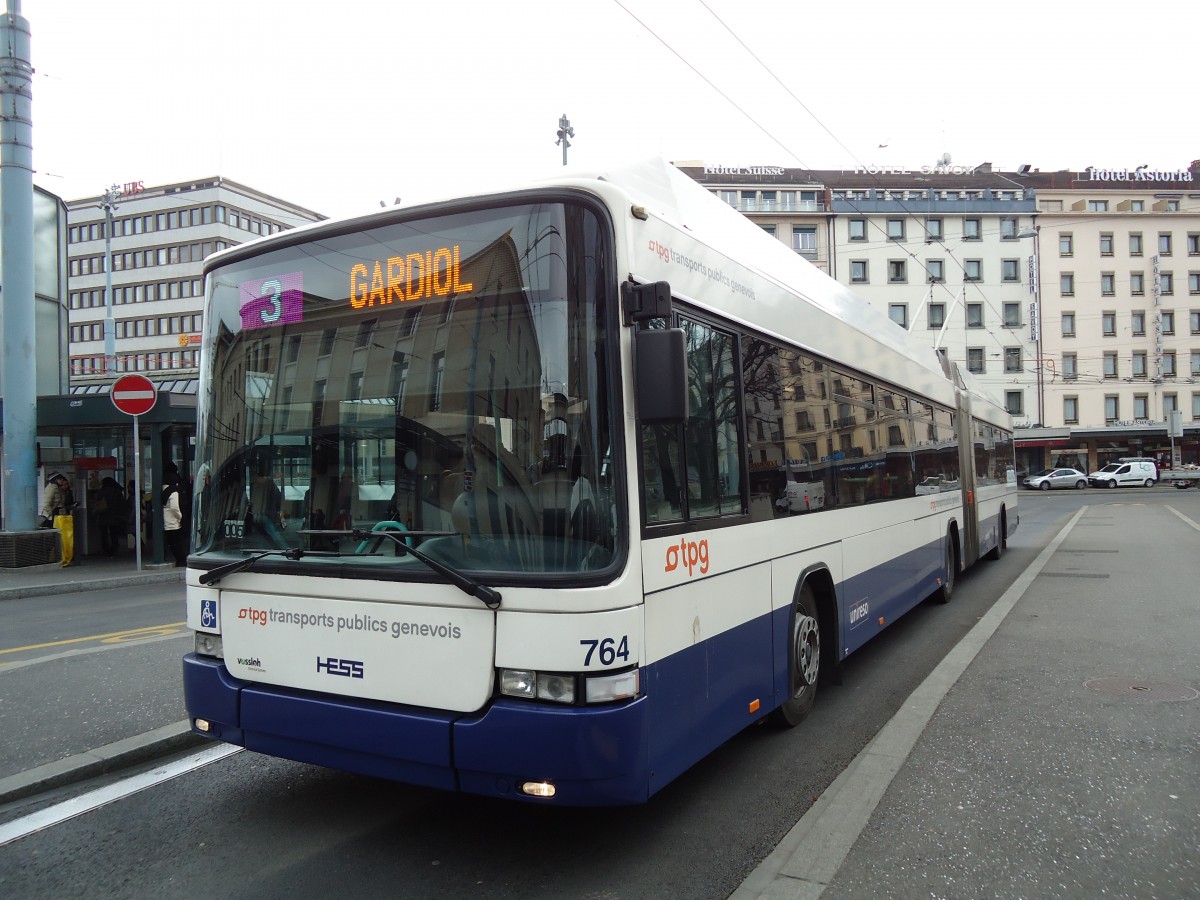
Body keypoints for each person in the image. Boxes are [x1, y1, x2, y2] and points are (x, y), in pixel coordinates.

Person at [38, 472, 78, 566]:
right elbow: (46, 504)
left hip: (58, 516)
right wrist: (51, 516)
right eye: (61, 480)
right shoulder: (51, 488)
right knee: (53, 538)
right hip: (52, 517)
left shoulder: (58, 488)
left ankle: (59, 557)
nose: (62, 481)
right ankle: (51, 558)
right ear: (56, 480)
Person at [94, 476, 128, 558]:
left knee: (104, 534)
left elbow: (96, 501)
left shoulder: (101, 491)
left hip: (103, 515)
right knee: (114, 534)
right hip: (115, 516)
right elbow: (122, 504)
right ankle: (114, 548)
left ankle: (105, 550)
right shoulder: (117, 491)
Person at [163, 473, 188, 567]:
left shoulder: (163, 490)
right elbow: (174, 507)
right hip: (174, 522)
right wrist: (180, 517)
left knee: (171, 543)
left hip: (167, 521)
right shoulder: (174, 492)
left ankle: (179, 560)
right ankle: (181, 561)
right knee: (178, 543)